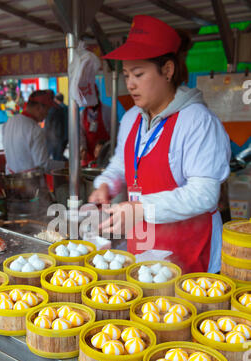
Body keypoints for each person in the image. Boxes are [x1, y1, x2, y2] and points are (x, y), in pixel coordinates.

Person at [89, 15, 231, 274]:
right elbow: (121, 164)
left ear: (167, 70)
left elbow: (204, 193)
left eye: (139, 74)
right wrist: (106, 184)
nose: (130, 84)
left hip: (189, 251)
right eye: (127, 74)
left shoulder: (197, 121)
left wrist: (139, 209)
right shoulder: (132, 117)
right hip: (143, 248)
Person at [2, 90, 54, 174]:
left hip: (10, 179)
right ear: (39, 108)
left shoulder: (9, 122)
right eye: (47, 109)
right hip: (30, 182)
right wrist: (66, 165)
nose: (47, 114)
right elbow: (43, 164)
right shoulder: (35, 129)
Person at [80, 85, 111, 167]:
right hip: (89, 155)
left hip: (106, 154)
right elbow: (81, 134)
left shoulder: (108, 111)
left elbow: (115, 132)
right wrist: (83, 148)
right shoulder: (82, 114)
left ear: (97, 95)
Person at [44, 92, 68, 161]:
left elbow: (48, 125)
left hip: (56, 138)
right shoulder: (67, 108)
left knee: (57, 157)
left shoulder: (54, 109)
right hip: (65, 136)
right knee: (59, 156)